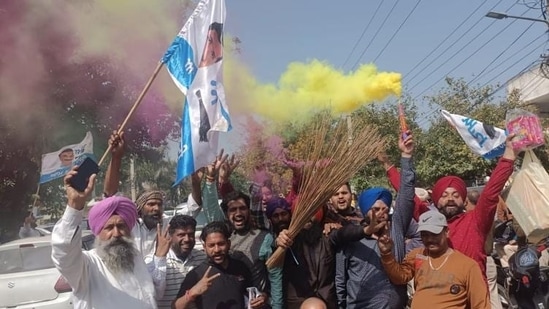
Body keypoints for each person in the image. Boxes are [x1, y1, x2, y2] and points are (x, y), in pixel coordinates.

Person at [51, 168, 165, 308]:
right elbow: (64, 251)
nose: (116, 234)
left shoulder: (136, 258)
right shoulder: (87, 266)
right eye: (109, 228)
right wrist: (75, 205)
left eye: (121, 226)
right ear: (98, 232)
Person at [336, 132, 416, 309]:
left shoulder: (396, 228)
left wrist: (406, 156)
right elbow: (340, 280)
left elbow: (407, 195)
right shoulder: (352, 238)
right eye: (375, 209)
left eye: (384, 209)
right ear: (365, 213)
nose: (381, 213)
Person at [379, 210, 490, 309]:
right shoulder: (417, 255)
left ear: (446, 232)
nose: (430, 239)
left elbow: (480, 304)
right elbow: (400, 277)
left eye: (434, 234)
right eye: (425, 235)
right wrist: (386, 253)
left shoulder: (468, 266)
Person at [172, 221, 261, 309]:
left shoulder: (241, 267)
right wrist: (192, 293)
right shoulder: (196, 274)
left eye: (221, 244)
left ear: (228, 244)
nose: (217, 250)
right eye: (211, 245)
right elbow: (175, 307)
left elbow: (253, 293)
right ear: (204, 247)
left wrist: (260, 299)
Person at [145, 215, 206, 309]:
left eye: (190, 234)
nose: (187, 239)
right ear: (170, 236)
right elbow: (154, 293)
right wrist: (160, 259)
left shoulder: (202, 258)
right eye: (181, 235)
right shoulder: (152, 261)